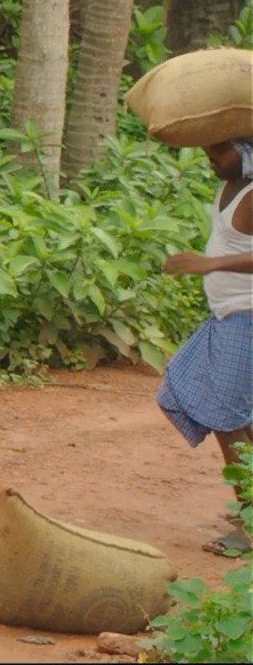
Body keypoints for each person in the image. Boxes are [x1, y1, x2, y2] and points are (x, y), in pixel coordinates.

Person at [156, 136, 253, 557]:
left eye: (220, 149)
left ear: (247, 149)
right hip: (228, 317)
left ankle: (250, 524)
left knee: (227, 418)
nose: (210, 156)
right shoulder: (232, 186)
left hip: (246, 317)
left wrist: (210, 263)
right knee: (190, 393)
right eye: (208, 148)